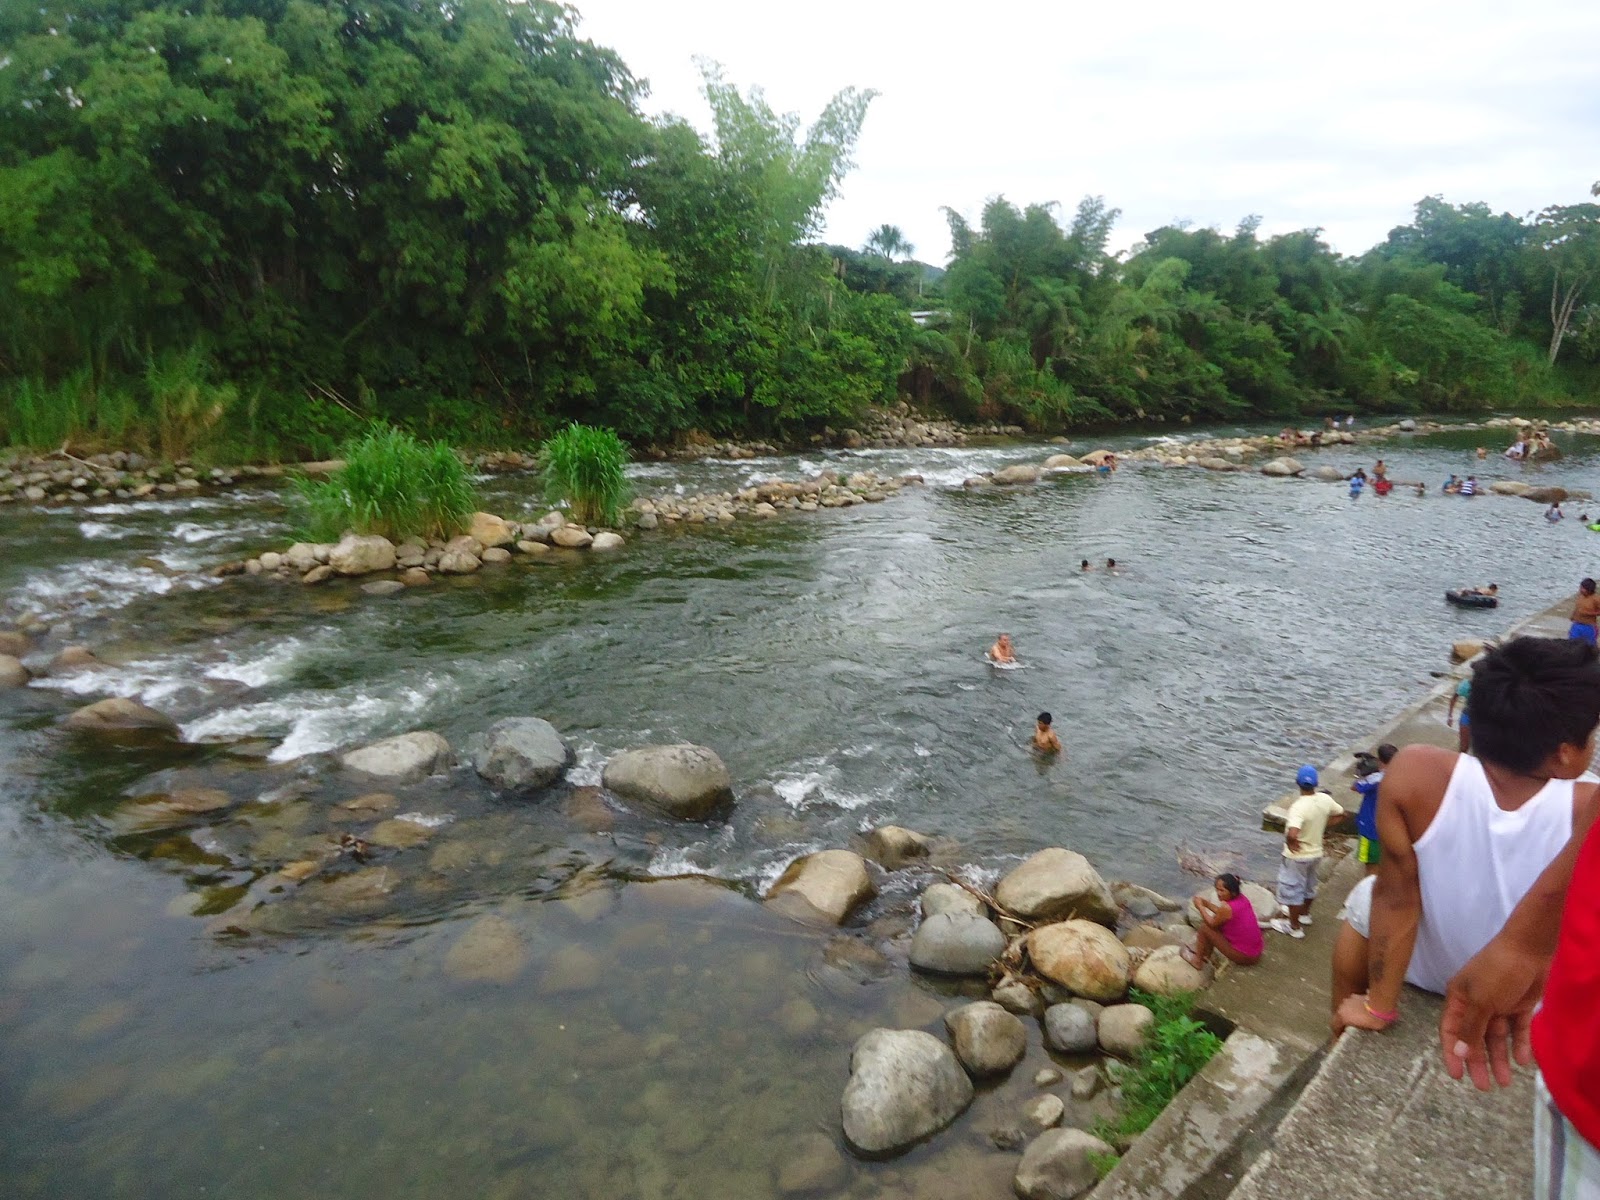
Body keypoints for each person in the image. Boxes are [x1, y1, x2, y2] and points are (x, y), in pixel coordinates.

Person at [1327, 639, 1600, 1080]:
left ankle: (1348, 1019)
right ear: (1565, 752)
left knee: (1365, 896)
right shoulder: (1587, 806)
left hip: (1425, 969)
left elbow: (1396, 898)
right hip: (1519, 994)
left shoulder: (1416, 773)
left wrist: (1381, 1006)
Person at [1271, 766, 1346, 939]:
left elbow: (1292, 832)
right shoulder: (1324, 799)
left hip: (1298, 856)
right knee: (1309, 886)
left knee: (1293, 890)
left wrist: (1291, 843)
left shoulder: (1298, 807)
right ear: (1316, 784)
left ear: (1298, 783)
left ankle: (1294, 926)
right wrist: (1323, 826)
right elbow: (1341, 813)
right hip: (1316, 852)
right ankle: (1304, 915)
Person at [1182, 874, 1262, 970]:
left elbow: (1211, 924)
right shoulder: (1242, 899)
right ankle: (1206, 955)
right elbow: (1222, 914)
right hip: (1256, 953)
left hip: (1245, 956)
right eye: (1217, 889)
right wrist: (1206, 904)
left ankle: (1197, 961)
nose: (1218, 893)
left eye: (1222, 891)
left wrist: (1200, 907)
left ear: (1232, 892)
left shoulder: (1227, 908)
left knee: (1205, 928)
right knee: (1216, 924)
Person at [1352, 744, 1398, 876]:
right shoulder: (1401, 775)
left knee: (1371, 867)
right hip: (1391, 828)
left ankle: (1370, 893)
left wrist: (1360, 774)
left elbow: (1355, 787)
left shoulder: (1375, 779)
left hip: (1371, 829)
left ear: (1380, 761)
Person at [1447, 675, 1473, 753]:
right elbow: (1453, 698)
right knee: (1464, 747)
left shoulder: (1491, 686)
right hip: (1468, 715)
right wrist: (1450, 716)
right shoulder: (1466, 685)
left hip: (1483, 717)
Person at [1572, 579, 1600, 644]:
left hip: (1589, 626)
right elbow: (1577, 607)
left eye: (1582, 588)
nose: (1580, 590)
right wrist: (1573, 616)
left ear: (1589, 589)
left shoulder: (1596, 599)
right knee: (1573, 644)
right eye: (1580, 587)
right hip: (1577, 624)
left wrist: (1590, 613)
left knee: (1589, 646)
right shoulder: (1580, 596)